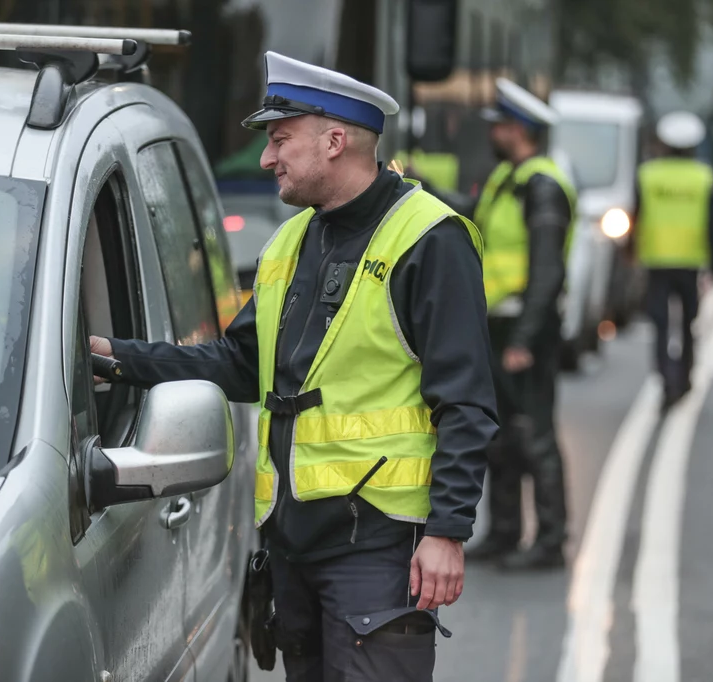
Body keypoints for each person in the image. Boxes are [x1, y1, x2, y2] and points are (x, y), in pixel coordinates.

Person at [91, 51, 498, 681]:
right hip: (292, 543)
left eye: (280, 140)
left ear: (335, 141)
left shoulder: (429, 239)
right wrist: (120, 361)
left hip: (375, 546)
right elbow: (241, 363)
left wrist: (447, 531)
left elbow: (466, 400)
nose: (266, 159)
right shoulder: (294, 239)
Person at [417, 78, 576, 570]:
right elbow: (474, 219)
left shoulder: (542, 186)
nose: (492, 134)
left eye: (500, 126)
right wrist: (424, 188)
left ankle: (550, 540)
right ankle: (505, 532)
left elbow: (547, 271)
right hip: (499, 325)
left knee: (535, 435)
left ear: (519, 130)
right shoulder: (509, 179)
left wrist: (525, 340)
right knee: (500, 434)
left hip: (524, 330)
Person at [628, 110, 713, 411]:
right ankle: (684, 377)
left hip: (656, 261)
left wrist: (631, 252)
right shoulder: (704, 177)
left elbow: (636, 217)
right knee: (687, 324)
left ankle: (667, 379)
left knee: (659, 325)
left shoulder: (647, 175)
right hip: (690, 263)